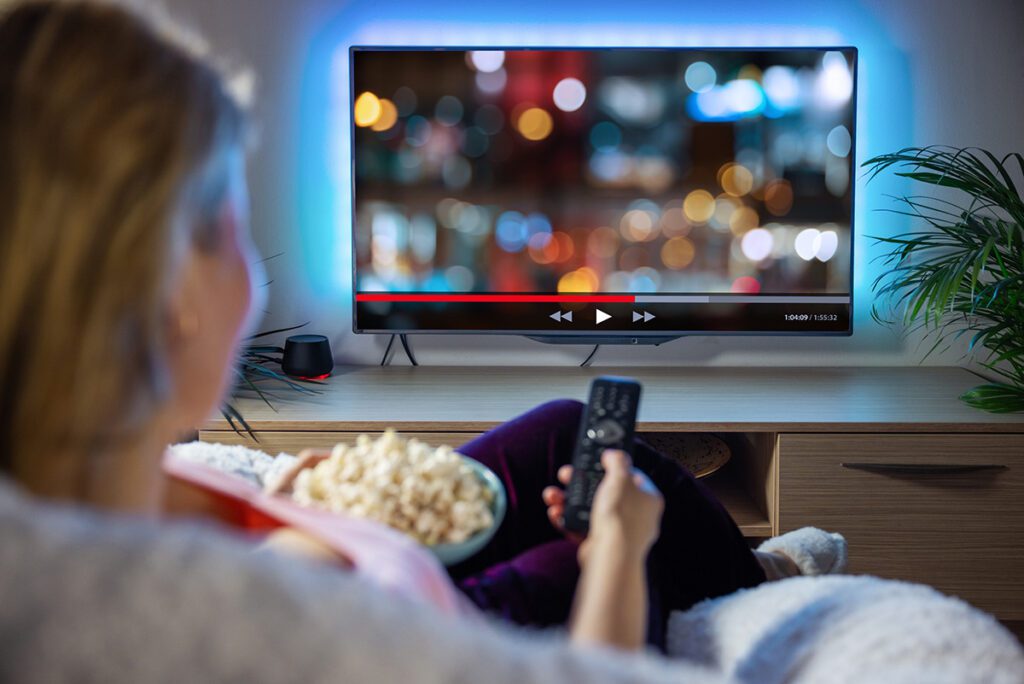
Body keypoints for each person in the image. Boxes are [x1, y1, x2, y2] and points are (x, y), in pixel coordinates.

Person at [0, 1, 838, 680]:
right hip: (415, 614)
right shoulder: (211, 616)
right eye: (234, 223)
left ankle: (742, 572)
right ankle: (745, 583)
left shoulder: (79, 491)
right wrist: (621, 551)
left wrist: (285, 508)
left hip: (370, 579)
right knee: (577, 556)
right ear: (174, 292)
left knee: (565, 429)